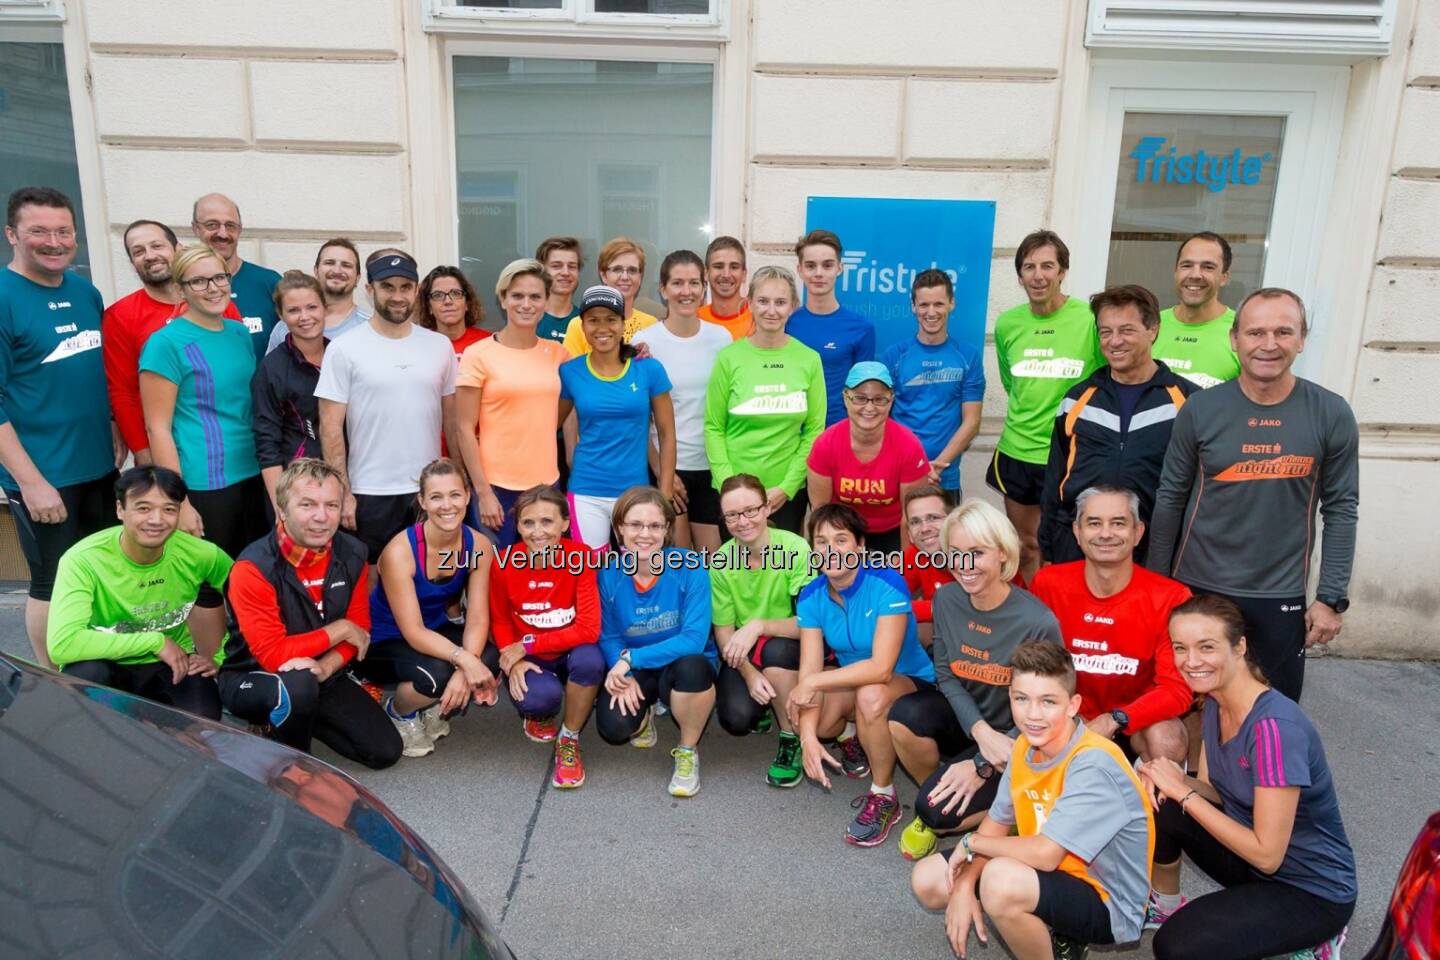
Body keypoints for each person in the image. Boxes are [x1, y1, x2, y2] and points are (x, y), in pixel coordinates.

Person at [1148, 288, 1359, 702]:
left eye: (1283, 331)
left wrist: (1331, 598)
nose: (1268, 344)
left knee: (1270, 714)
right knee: (1190, 709)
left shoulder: (1330, 413)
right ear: (1234, 339)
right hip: (1198, 586)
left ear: (1302, 339)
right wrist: (1157, 586)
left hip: (1279, 594)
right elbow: (1170, 497)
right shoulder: (1200, 409)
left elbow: (1341, 508)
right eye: (1255, 332)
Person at [1141, 594, 1355, 960]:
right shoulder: (1215, 701)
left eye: (1206, 647)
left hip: (1310, 888)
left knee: (1177, 948)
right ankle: (1164, 903)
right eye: (1180, 647)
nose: (1190, 662)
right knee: (1162, 800)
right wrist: (1170, 779)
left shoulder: (1274, 729)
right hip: (1254, 861)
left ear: (1239, 646)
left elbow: (1268, 855)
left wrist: (1183, 791)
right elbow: (1216, 794)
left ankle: (1314, 941)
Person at [910, 640, 1155, 960]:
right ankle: (1050, 924)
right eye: (1021, 699)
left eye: (1048, 701)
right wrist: (966, 883)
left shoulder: (1093, 762)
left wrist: (970, 843)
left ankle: (1059, 933)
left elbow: (1045, 855)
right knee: (930, 881)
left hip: (1107, 899)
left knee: (1000, 883)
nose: (1033, 715)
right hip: (1051, 869)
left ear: (1073, 705)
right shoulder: (1025, 746)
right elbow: (995, 826)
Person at [889, 499, 1062, 862]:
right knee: (904, 717)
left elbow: (1049, 710)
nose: (964, 565)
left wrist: (984, 762)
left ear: (1003, 553)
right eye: (955, 552)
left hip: (1023, 736)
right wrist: (981, 733)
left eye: (977, 552)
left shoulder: (1037, 621)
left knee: (937, 813)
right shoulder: (947, 600)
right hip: (973, 724)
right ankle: (945, 787)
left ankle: (1014, 813)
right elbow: (947, 674)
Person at [218, 458, 401, 769]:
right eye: (307, 504)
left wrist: (327, 667)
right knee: (297, 686)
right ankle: (291, 758)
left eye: (331, 505)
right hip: (251, 674)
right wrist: (340, 629)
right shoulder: (252, 568)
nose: (321, 517)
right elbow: (274, 655)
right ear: (282, 510)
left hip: (319, 671)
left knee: (384, 751)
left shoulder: (353, 552)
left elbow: (360, 630)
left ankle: (298, 716)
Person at [0, 187, 117, 669]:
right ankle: (55, 685)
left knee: (100, 574)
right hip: (44, 478)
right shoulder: (5, 297)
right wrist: (31, 483)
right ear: (12, 235)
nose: (54, 241)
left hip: (98, 468)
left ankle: (96, 663)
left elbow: (96, 373)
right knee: (51, 581)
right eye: (39, 231)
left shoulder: (84, 291)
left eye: (63, 231)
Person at [140, 243, 267, 649]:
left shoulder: (237, 332)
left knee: (251, 575)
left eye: (219, 277)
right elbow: (157, 428)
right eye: (199, 280)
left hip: (255, 472)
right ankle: (213, 672)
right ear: (181, 289)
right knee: (210, 584)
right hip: (206, 482)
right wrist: (179, 501)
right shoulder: (166, 344)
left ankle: (250, 662)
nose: (213, 287)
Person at [789, 503, 935, 847]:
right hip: (854, 681)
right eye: (822, 541)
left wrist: (812, 682)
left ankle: (884, 794)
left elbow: (881, 668)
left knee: (870, 694)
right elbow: (808, 672)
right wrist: (808, 739)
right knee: (810, 718)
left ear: (860, 546)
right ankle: (854, 734)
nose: (831, 550)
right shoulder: (811, 596)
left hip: (910, 680)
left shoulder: (886, 582)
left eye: (841, 539)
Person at [46, 466, 231, 720]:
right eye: (143, 508)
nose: (156, 520)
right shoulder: (83, 559)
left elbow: (252, 601)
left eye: (169, 509)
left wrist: (221, 658)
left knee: (203, 725)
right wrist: (154, 641)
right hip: (105, 661)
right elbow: (63, 645)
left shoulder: (201, 554)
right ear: (120, 509)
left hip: (173, 663)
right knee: (86, 683)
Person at [1030, 486, 1192, 765]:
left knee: (1169, 736)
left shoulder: (1171, 597)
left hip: (1133, 723)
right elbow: (1032, 667)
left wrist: (1116, 719)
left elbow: (1177, 690)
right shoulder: (1048, 584)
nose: (1106, 533)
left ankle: (1154, 804)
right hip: (1069, 719)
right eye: (1094, 523)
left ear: (1138, 532)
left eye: (1118, 523)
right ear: (1077, 532)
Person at [316, 249, 459, 563]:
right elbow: (329, 429)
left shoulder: (439, 346)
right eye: (388, 287)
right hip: (370, 490)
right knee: (373, 582)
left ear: (416, 290)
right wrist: (344, 492)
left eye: (405, 287)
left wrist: (456, 482)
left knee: (431, 577)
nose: (397, 296)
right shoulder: (343, 348)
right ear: (370, 290)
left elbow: (452, 423)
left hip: (429, 490)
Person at [1039, 285, 1196, 566]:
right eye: (1105, 332)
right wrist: (1049, 548)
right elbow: (1055, 480)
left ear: (1153, 330)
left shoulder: (1189, 401)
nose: (1114, 341)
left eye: (1126, 330)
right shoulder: (1077, 399)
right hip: (1077, 548)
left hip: (1153, 553)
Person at [990, 229, 1103, 584]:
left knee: (1070, 548)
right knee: (1025, 546)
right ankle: (1036, 624)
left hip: (1071, 454)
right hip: (1018, 452)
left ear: (1063, 271)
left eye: (1047, 266)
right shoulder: (1008, 324)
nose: (1038, 275)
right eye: (1029, 267)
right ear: (1020, 275)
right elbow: (1014, 385)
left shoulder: (1089, 320)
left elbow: (1103, 382)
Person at [364, 459, 498, 758]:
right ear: (422, 501)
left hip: (434, 630)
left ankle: (435, 704)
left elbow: (477, 616)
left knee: (489, 656)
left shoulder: (478, 546)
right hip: (385, 640)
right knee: (437, 674)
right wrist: (463, 660)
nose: (446, 505)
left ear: (467, 496)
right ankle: (400, 712)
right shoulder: (400, 552)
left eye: (454, 495)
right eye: (436, 497)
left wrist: (467, 668)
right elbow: (413, 632)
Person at [595, 487, 717, 798]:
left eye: (654, 526)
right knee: (614, 728)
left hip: (680, 665)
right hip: (638, 667)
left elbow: (693, 640)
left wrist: (630, 660)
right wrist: (619, 670)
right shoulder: (608, 572)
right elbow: (608, 635)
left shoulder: (690, 566)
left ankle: (688, 750)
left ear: (666, 530)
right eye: (635, 525)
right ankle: (646, 713)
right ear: (620, 528)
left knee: (695, 667)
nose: (644, 534)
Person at [489, 485, 604, 789]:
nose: (537, 532)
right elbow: (499, 620)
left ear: (565, 523)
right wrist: (512, 662)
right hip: (531, 658)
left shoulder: (582, 557)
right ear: (517, 526)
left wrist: (525, 644)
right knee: (541, 699)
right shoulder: (503, 563)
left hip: (565, 651)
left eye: (547, 522)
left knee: (591, 660)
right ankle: (537, 715)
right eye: (528, 523)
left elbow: (589, 629)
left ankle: (569, 738)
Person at [104, 218, 244, 464]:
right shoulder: (120, 315)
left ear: (176, 249)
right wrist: (144, 455)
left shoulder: (222, 307)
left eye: (157, 246)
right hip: (165, 454)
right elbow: (122, 392)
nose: (149, 256)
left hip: (231, 450)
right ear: (132, 262)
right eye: (138, 251)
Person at [455, 258, 571, 547]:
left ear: (546, 301)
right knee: (497, 577)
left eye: (535, 296)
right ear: (503, 298)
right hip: (496, 489)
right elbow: (464, 429)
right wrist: (482, 492)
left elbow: (598, 373)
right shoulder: (478, 354)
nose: (526, 304)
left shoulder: (559, 354)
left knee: (544, 576)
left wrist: (635, 352)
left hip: (546, 485)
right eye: (517, 295)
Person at [703, 266, 826, 535]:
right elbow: (713, 427)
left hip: (786, 494)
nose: (772, 310)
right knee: (736, 571)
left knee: (784, 570)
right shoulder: (729, 358)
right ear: (749, 304)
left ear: (793, 306)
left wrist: (787, 487)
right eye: (763, 301)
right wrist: (729, 488)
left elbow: (815, 431)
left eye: (780, 302)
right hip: (734, 494)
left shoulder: (809, 359)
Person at [710, 473, 815, 787]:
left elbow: (809, 625)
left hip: (788, 642)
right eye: (732, 515)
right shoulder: (721, 561)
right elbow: (724, 631)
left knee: (774, 649)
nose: (743, 521)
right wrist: (748, 673)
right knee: (736, 718)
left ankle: (789, 737)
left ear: (767, 508)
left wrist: (759, 625)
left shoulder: (796, 548)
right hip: (744, 652)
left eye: (751, 510)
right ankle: (765, 704)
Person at [559, 284, 676, 548]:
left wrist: (665, 490)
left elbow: (667, 433)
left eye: (611, 319)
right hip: (586, 491)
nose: (602, 328)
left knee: (638, 570)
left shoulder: (648, 369)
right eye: (593, 321)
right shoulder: (570, 372)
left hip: (636, 492)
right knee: (592, 573)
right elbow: (551, 424)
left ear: (623, 324)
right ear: (583, 325)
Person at [632, 250, 731, 552]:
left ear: (704, 288)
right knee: (678, 561)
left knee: (715, 564)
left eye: (693, 283)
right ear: (662, 289)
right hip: (667, 467)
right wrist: (665, 471)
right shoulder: (644, 343)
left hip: (712, 466)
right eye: (677, 283)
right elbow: (638, 418)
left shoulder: (722, 339)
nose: (686, 292)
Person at [880, 268, 985, 502]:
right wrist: (915, 465)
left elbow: (972, 421)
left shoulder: (968, 356)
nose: (931, 312)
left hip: (944, 476)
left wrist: (935, 467)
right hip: (900, 473)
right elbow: (881, 418)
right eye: (924, 305)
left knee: (946, 540)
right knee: (899, 540)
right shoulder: (893, 356)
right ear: (913, 306)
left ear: (951, 304)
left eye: (938, 304)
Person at [806, 361, 931, 557]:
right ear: (846, 398)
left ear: (891, 401)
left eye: (879, 399)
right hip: (841, 532)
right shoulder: (825, 445)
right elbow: (821, 512)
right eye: (860, 398)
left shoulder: (909, 446)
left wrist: (906, 572)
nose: (869, 407)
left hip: (892, 532)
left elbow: (911, 516)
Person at [252, 270, 331, 510]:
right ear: (281, 315)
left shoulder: (341, 356)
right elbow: (266, 441)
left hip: (340, 483)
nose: (305, 317)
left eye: (311, 307)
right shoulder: (271, 369)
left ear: (324, 308)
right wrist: (280, 506)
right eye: (294, 310)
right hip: (295, 487)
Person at [786, 229, 875, 426]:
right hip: (791, 435)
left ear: (840, 268)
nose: (819, 273)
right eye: (811, 266)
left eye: (827, 265)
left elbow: (864, 393)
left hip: (839, 434)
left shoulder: (861, 329)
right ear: (800, 270)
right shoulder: (786, 324)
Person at [191, 192, 281, 359]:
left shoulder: (269, 283)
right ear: (196, 228)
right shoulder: (185, 288)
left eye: (230, 226)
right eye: (212, 225)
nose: (223, 234)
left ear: (240, 230)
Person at [1155, 232, 1240, 389]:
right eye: (1187, 265)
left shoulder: (1242, 333)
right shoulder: (1151, 326)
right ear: (1176, 272)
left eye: (1208, 267)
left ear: (1224, 277)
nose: (1195, 275)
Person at [265, 237, 372, 352]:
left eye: (346, 265)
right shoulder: (286, 326)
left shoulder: (370, 327)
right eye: (329, 263)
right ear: (316, 271)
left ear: (358, 277)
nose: (337, 270)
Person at [561, 237, 657, 355]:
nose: (625, 277)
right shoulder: (579, 325)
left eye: (632, 270)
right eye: (617, 270)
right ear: (603, 275)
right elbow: (571, 370)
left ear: (640, 276)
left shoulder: (651, 324)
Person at [418, 264, 490, 361]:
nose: (448, 301)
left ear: (467, 303)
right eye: (438, 295)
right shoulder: (419, 346)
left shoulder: (488, 343)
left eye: (456, 293)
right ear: (429, 306)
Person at [698, 235, 752, 340]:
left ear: (744, 274)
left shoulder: (758, 320)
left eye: (734, 267)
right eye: (718, 266)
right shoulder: (695, 320)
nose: (726, 275)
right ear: (706, 273)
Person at [536, 236, 582, 344]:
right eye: (557, 266)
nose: (565, 272)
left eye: (572, 266)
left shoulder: (586, 322)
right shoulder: (529, 319)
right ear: (541, 271)